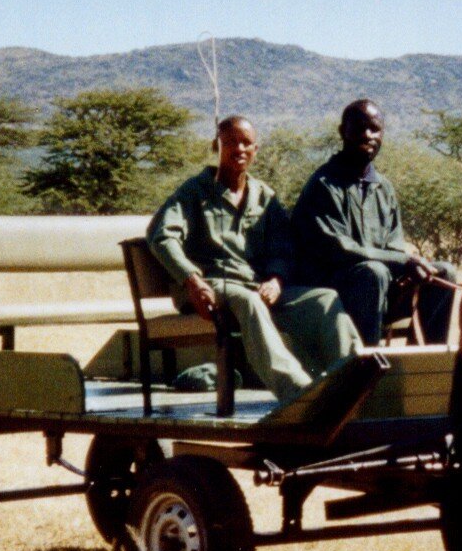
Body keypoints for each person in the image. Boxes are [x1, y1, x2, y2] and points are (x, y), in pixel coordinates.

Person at [148, 115, 360, 404]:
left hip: (255, 286)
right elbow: (161, 235)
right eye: (230, 143)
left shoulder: (264, 196)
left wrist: (276, 279)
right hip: (212, 286)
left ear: (256, 150)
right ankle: (298, 394)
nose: (239, 150)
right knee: (250, 302)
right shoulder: (194, 191)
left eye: (246, 143)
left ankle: (353, 382)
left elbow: (283, 248)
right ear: (217, 146)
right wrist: (191, 280)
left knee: (323, 299)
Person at [292, 98, 458, 344]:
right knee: (374, 272)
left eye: (375, 129)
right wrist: (403, 261)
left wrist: (409, 269)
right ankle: (367, 365)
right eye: (359, 128)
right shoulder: (324, 185)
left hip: (379, 286)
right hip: (331, 288)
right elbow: (341, 249)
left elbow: (393, 246)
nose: (368, 135)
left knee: (444, 272)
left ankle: (425, 364)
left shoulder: (383, 188)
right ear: (342, 132)